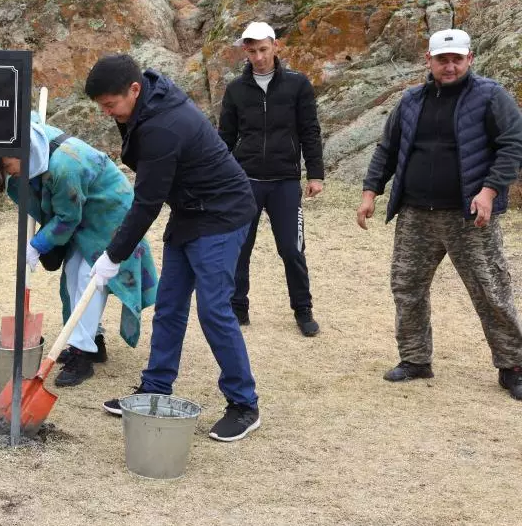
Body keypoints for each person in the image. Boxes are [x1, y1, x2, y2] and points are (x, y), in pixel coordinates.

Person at [86, 54, 262, 442]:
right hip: (190, 210)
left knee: (214, 309)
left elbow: (147, 202)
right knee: (169, 305)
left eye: (110, 105)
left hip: (222, 213)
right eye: (101, 107)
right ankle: (156, 387)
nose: (106, 113)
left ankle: (244, 404)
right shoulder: (144, 107)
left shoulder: (163, 126)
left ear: (134, 90)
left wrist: (113, 256)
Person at [357, 28, 522, 401]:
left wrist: (489, 191)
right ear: (428, 60)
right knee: (407, 287)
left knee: (490, 290)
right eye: (442, 60)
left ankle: (513, 366)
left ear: (470, 59)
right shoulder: (411, 100)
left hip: (470, 216)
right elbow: (388, 149)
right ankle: (415, 359)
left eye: (456, 59)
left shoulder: (492, 97)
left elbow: (512, 147)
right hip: (416, 213)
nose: (449, 66)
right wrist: (370, 192)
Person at [0, 114, 158, 387]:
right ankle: (93, 341)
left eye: (8, 165)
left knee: (91, 279)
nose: (9, 173)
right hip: (82, 213)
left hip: (110, 216)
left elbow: (67, 219)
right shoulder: (34, 140)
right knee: (73, 276)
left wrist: (37, 245)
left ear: (24, 151)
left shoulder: (65, 166)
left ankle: (82, 353)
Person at [219, 22, 324, 336]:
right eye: (252, 51)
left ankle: (303, 311)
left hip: (285, 181)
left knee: (292, 249)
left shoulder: (297, 84)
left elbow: (310, 130)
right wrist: (218, 177)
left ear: (276, 46)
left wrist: (315, 173)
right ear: (246, 52)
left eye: (263, 49)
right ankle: (238, 309)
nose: (258, 56)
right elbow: (225, 137)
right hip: (245, 180)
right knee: (239, 247)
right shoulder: (236, 89)